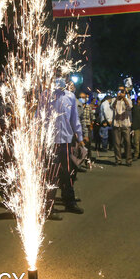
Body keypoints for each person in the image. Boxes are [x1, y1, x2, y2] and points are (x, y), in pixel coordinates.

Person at [47, 76, 85, 217]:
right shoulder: (46, 95)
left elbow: (75, 118)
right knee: (52, 175)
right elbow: (39, 117)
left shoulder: (70, 96)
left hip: (66, 142)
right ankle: (48, 207)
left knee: (68, 173)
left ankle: (69, 202)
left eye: (63, 77)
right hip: (51, 142)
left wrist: (79, 137)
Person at [112, 86, 132, 166]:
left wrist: (124, 98)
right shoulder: (114, 100)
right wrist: (117, 98)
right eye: (119, 91)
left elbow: (129, 107)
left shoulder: (128, 100)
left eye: (122, 91)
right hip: (116, 124)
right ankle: (118, 160)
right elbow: (112, 107)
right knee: (117, 143)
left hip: (125, 124)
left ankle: (128, 160)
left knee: (127, 143)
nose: (120, 93)